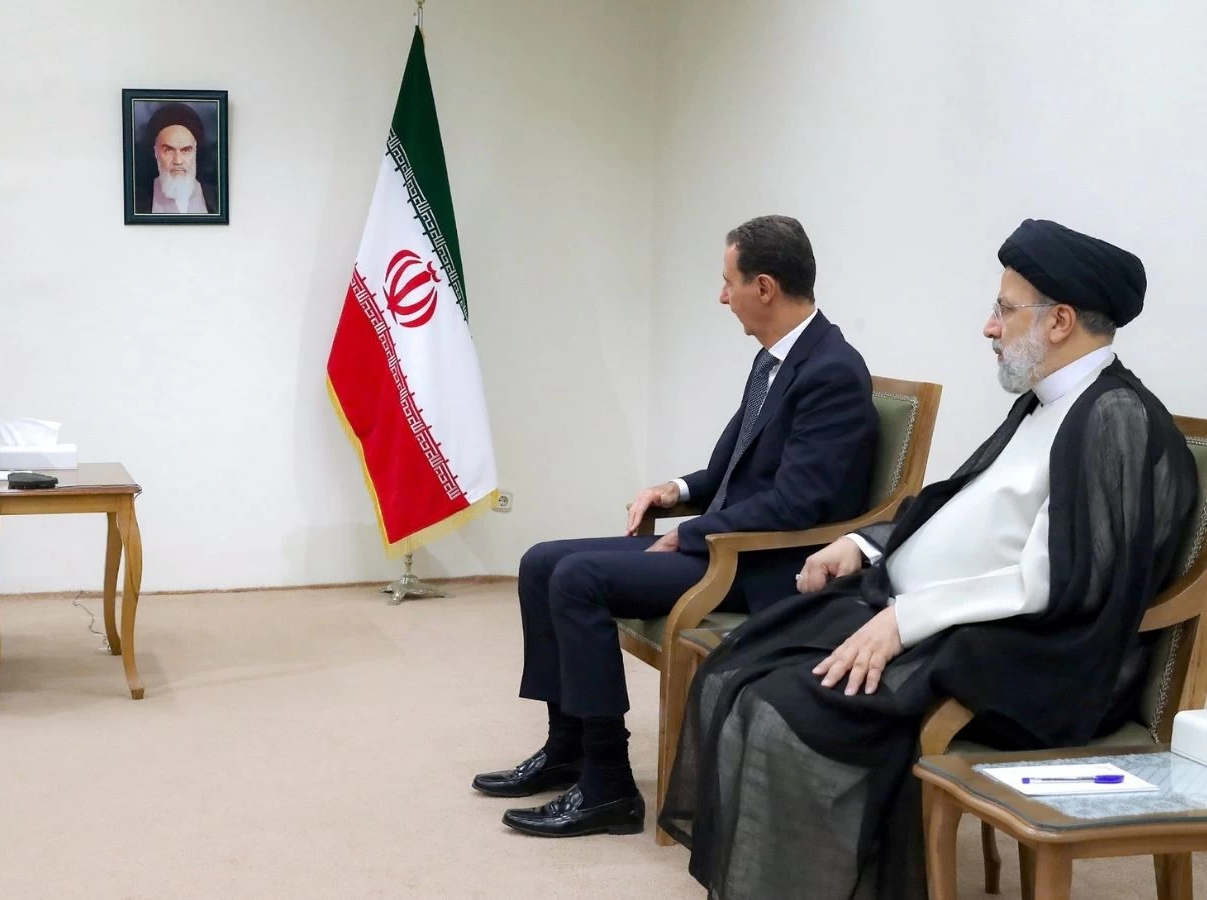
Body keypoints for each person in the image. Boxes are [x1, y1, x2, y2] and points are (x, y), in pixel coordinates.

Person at [661, 219, 1198, 899]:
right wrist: (864, 544)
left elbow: (1061, 580)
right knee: (741, 663)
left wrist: (906, 620)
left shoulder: (1114, 418)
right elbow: (961, 505)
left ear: (1060, 321)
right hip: (937, 615)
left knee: (785, 711)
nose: (989, 327)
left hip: (1030, 659)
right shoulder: (1051, 402)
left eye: (1004, 309)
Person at [475, 215, 880, 838]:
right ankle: (568, 748)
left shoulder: (831, 371)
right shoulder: (776, 359)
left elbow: (798, 505)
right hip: (727, 542)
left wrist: (691, 533)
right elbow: (732, 468)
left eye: (729, 282)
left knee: (579, 578)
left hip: (764, 564)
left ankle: (608, 786)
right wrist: (677, 491)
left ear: (764, 287)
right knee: (541, 561)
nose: (722, 296)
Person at [135, 102, 219, 215]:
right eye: (169, 150)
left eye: (186, 150)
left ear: (195, 151)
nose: (178, 161)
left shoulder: (216, 198)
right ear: (155, 152)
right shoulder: (137, 202)